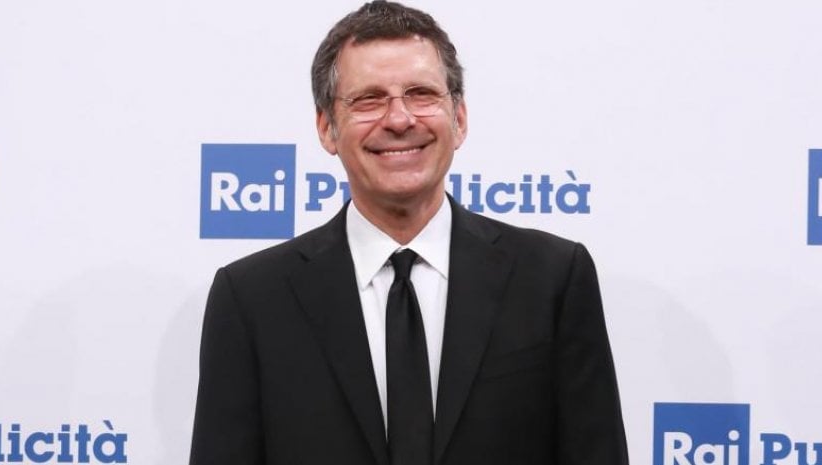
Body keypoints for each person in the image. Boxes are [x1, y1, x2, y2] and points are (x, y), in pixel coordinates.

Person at [189, 1, 628, 464]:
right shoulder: (252, 299)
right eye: (369, 99)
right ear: (326, 128)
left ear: (459, 119)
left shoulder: (552, 279)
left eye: (421, 94)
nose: (399, 119)